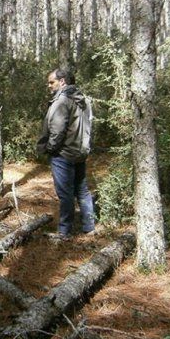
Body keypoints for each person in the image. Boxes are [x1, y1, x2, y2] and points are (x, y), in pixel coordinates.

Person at [36, 68, 95, 240]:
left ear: (62, 81)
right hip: (80, 153)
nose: (49, 86)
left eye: (51, 82)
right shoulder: (84, 100)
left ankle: (64, 231)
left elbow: (57, 130)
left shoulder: (62, 101)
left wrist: (50, 149)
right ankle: (89, 227)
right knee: (82, 191)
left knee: (66, 194)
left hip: (63, 154)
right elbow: (90, 127)